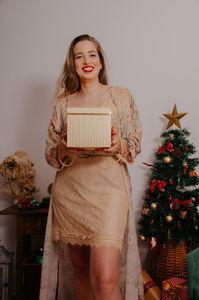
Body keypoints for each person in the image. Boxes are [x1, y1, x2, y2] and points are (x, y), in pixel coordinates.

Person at [40, 34, 144, 300]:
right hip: (71, 191)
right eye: (79, 55)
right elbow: (51, 155)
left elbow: (134, 141)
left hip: (108, 191)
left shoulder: (120, 96)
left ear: (100, 62)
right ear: (72, 64)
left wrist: (117, 145)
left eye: (92, 54)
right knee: (81, 268)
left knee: (105, 278)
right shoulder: (62, 104)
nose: (86, 60)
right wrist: (64, 147)